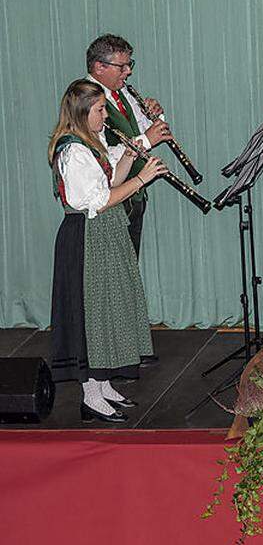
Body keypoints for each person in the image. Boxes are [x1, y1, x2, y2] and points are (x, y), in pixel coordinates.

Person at [48, 80, 166, 422]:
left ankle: (102, 386)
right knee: (93, 315)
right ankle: (90, 396)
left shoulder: (92, 141)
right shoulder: (72, 151)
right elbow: (97, 201)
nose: (105, 114)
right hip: (87, 236)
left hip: (105, 232)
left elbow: (110, 180)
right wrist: (143, 178)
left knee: (111, 309)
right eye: (100, 109)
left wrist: (130, 154)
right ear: (84, 113)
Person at [84, 34, 174, 256]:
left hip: (133, 194)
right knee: (114, 270)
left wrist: (155, 115)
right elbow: (102, 152)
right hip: (110, 199)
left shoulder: (122, 92)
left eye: (129, 64)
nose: (128, 71)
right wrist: (146, 140)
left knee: (129, 267)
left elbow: (142, 130)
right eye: (122, 66)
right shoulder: (85, 99)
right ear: (99, 67)